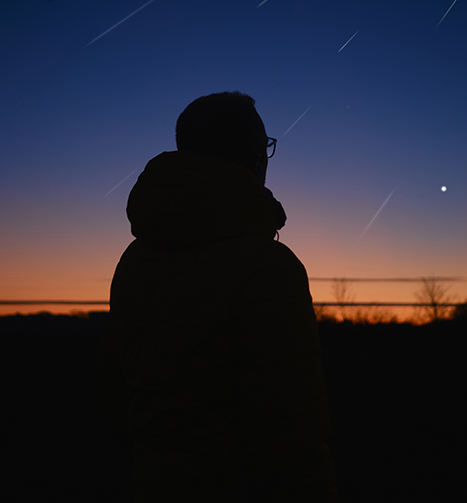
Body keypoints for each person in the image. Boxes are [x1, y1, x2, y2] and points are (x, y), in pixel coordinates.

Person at [96, 91, 339, 502]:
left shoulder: (135, 259)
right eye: (264, 146)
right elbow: (290, 424)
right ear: (252, 155)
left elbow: (115, 394)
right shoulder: (267, 267)